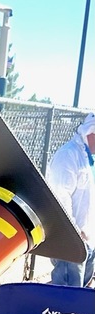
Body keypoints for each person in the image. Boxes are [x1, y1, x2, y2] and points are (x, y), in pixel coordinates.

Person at [47, 112, 95, 287]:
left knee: (79, 295)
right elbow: (60, 196)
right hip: (71, 239)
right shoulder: (68, 155)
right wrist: (73, 230)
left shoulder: (90, 158)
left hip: (88, 240)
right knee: (67, 296)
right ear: (91, 132)